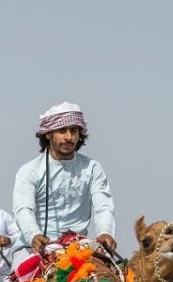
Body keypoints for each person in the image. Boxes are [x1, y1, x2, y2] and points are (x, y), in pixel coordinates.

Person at [12, 102, 116, 259]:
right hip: (33, 247)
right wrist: (34, 234)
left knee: (116, 279)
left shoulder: (92, 168)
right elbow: (23, 209)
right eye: (62, 131)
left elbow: (103, 207)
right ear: (48, 134)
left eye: (74, 131)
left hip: (79, 247)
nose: (69, 137)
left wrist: (105, 232)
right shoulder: (29, 171)